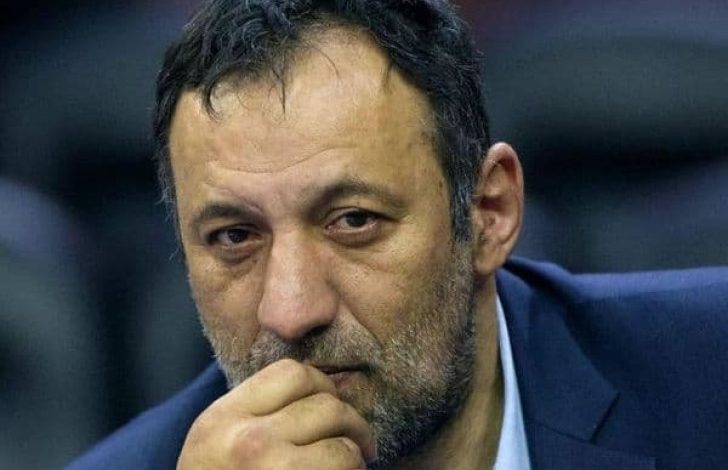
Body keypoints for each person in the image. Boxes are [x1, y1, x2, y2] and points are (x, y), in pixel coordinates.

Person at [67, 0, 728, 469]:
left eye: (354, 221)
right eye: (235, 237)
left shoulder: (709, 376)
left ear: (489, 212)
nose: (291, 311)